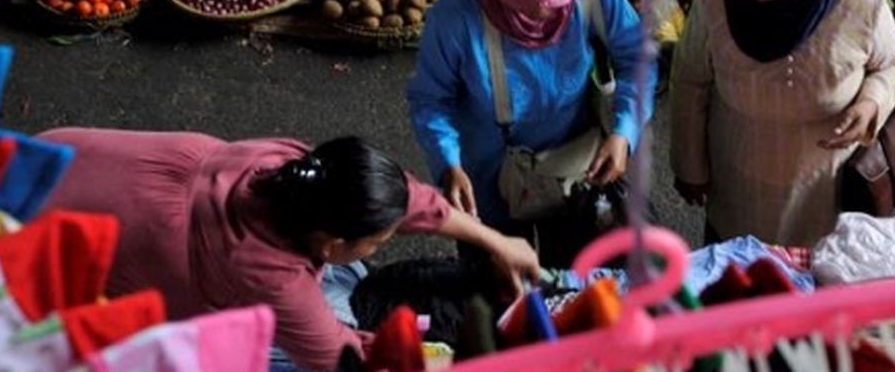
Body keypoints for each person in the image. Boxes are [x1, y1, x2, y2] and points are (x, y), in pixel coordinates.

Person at [37, 130, 539, 372]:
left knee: (347, 285)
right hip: (31, 247)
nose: (387, 239)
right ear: (331, 243)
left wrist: (495, 241)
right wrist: (445, 361)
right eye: (378, 238)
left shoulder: (296, 166)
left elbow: (396, 198)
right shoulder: (266, 272)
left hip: (45, 158)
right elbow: (338, 355)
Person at [407, 0, 654, 259]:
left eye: (555, 8)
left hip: (572, 167)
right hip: (487, 178)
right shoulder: (457, 15)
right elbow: (431, 99)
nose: (540, 17)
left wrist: (623, 132)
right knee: (496, 289)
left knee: (572, 279)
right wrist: (449, 164)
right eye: (522, 7)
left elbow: (637, 58)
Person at [669, 0, 895, 247]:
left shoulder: (863, 4)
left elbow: (894, 64)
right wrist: (690, 167)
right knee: (739, 282)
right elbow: (689, 83)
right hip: (739, 187)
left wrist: (870, 103)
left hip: (822, 196)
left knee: (814, 285)